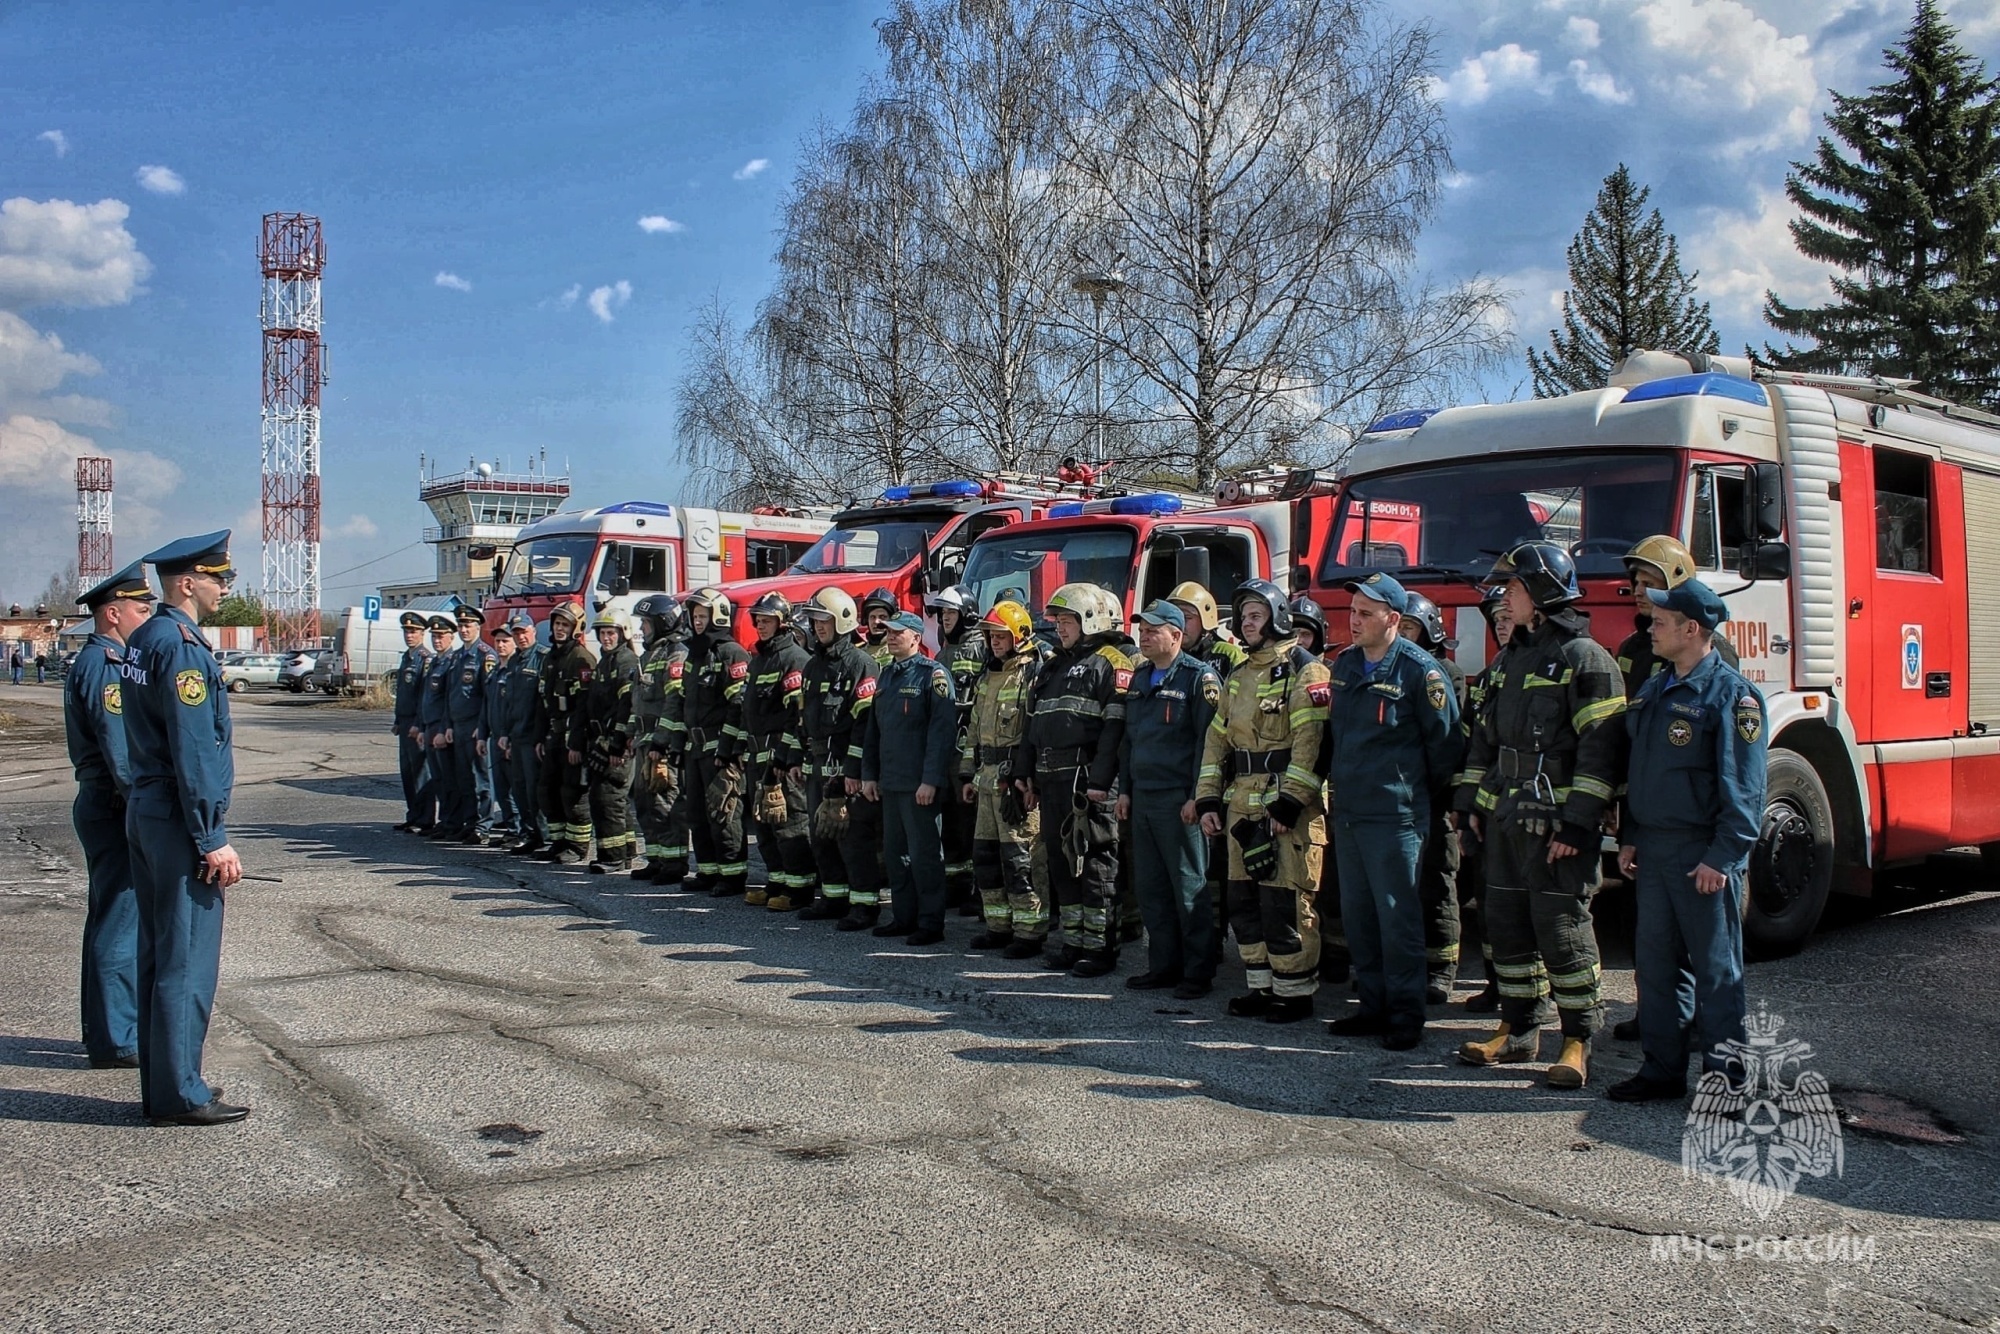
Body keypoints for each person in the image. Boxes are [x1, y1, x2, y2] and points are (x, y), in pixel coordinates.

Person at [1455, 542, 1625, 1089]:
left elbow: (1602, 750)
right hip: (1505, 819)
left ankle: (1577, 1038)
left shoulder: (1586, 658)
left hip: (1556, 828)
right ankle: (1518, 1027)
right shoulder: (1507, 661)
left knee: (1562, 929)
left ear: (1543, 592)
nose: (1505, 597)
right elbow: (1484, 742)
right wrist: (1473, 808)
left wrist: (1579, 823)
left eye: (1514, 588)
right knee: (1505, 924)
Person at [1609, 578, 1766, 1102]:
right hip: (1654, 849)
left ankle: (1727, 1084)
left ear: (1690, 628)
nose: (1650, 629)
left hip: (1702, 854)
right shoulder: (1657, 687)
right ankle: (1661, 1071)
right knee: (1655, 968)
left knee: (1716, 975)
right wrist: (1631, 836)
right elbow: (1643, 771)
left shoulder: (1732, 696)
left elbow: (1744, 789)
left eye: (1659, 622)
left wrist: (1722, 856)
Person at [120, 530, 246, 1126]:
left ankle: (165, 1081)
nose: (225, 588)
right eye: (218, 578)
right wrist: (211, 836)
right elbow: (194, 749)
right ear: (187, 582)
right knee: (187, 958)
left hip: (148, 809)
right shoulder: (183, 648)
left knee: (157, 951)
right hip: (177, 816)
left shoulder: (143, 638)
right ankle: (181, 1094)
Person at [1322, 574, 1462, 1049]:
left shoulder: (1420, 672)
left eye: (1365, 613)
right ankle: (1373, 1005)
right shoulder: (1344, 666)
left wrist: (1413, 796)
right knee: (1359, 916)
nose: (1353, 620)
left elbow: (1445, 749)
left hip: (1396, 817)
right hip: (1352, 813)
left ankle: (1405, 1012)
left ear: (1393, 620)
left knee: (1398, 917)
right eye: (1353, 611)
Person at [1609, 534, 1738, 1042]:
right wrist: (1623, 809)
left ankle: (1718, 1051)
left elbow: (1729, 765)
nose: (1638, 592)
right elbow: (1627, 733)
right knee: (1653, 942)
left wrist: (1723, 851)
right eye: (1636, 583)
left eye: (1650, 582)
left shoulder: (1715, 660)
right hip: (1652, 824)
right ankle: (1658, 1026)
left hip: (1697, 834)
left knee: (1709, 955)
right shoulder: (1634, 651)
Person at [1196, 579, 1333, 1023]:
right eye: (1244, 616)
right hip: (1241, 805)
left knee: (1285, 903)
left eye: (1256, 615)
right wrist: (1208, 801)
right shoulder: (1238, 675)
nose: (1247, 623)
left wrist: (1291, 801)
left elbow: (1313, 743)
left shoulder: (1305, 670)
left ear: (1276, 616)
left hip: (1284, 809)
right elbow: (1216, 744)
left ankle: (1293, 993)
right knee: (1243, 900)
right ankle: (1261, 986)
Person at [1015, 583, 1132, 977]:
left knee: (1096, 862)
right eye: (1059, 621)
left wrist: (1099, 783)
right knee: (1060, 862)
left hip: (1087, 783)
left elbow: (1115, 732)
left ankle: (1100, 947)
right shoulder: (1051, 667)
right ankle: (1074, 941)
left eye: (1068, 620)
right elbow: (1031, 726)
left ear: (1091, 619)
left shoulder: (1112, 663)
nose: (1061, 628)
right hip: (1049, 780)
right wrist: (1024, 774)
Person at [65, 561, 155, 1071]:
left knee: (110, 916)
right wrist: (142, 805)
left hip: (104, 801)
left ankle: (104, 1031)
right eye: (140, 610)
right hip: (114, 803)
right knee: (121, 920)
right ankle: (117, 1038)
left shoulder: (108, 660)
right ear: (112, 614)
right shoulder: (105, 667)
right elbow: (120, 750)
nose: (146, 618)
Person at [1116, 600, 1222, 997]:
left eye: (1153, 630)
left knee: (1188, 885)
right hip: (1143, 797)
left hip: (1179, 800)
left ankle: (1198, 972)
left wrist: (1199, 796)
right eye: (1142, 629)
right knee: (1152, 888)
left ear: (1176, 636)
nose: (1143, 636)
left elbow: (1208, 744)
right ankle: (1163, 965)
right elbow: (1130, 741)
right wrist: (1125, 790)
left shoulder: (1199, 678)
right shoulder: (1141, 677)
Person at [860, 611, 959, 945]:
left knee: (926, 855)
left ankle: (930, 923)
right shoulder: (886, 675)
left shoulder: (933, 676)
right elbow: (874, 732)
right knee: (896, 856)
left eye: (897, 633)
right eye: (887, 632)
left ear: (916, 638)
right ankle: (904, 917)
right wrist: (869, 775)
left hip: (919, 786)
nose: (889, 637)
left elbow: (941, 735)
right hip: (891, 782)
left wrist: (930, 780)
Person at [962, 599, 1049, 956]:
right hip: (985, 780)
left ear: (1020, 636)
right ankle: (998, 925)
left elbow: (1035, 731)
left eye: (1001, 636)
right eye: (991, 635)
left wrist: (1027, 778)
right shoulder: (988, 675)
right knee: (985, 857)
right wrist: (967, 773)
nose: (995, 642)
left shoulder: (1032, 674)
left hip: (1013, 782)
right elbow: (973, 729)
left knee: (1021, 859)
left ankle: (1030, 931)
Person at [795, 589, 883, 924]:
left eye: (824, 620)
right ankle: (833, 898)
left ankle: (864, 905)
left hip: (847, 765)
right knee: (821, 833)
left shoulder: (861, 664)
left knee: (852, 836)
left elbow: (865, 725)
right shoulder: (813, 666)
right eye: (815, 620)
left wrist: (853, 769)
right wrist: (801, 761)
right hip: (818, 763)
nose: (818, 626)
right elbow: (805, 721)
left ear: (842, 621)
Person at [1402, 591, 1470, 1003]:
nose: (1404, 636)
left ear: (1429, 631)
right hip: (1402, 801)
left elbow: (1447, 741)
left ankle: (1441, 969)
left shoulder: (1445, 673)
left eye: (1410, 628)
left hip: (1435, 798)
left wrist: (1439, 793)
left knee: (1437, 883)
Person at [741, 592, 815, 909]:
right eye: (758, 619)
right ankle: (777, 881)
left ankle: (799, 890)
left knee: (790, 822)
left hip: (779, 758)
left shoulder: (794, 659)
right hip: (757, 757)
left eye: (767, 620)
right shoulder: (759, 660)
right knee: (764, 824)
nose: (760, 625)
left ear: (782, 623)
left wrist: (784, 759)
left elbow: (795, 717)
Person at [682, 588, 753, 895]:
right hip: (694, 749)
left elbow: (737, 707)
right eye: (695, 616)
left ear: (718, 616)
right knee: (697, 814)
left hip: (717, 751)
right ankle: (708, 871)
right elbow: (683, 704)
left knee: (724, 812)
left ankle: (732, 875)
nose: (698, 622)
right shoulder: (694, 655)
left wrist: (727, 751)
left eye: (703, 616)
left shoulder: (731, 653)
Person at [926, 586, 986, 917]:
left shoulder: (982, 649)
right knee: (950, 819)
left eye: (951, 613)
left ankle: (981, 888)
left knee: (973, 822)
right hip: (947, 749)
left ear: (968, 615)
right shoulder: (942, 655)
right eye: (942, 615)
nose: (945, 619)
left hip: (970, 751)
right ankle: (956, 884)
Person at [533, 600, 597, 864]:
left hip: (573, 738)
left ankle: (577, 846)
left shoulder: (582, 659)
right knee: (548, 789)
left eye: (565, 625)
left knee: (574, 793)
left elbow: (585, 706)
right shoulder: (550, 658)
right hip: (553, 736)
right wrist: (540, 737)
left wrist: (577, 743)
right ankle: (558, 841)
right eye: (557, 624)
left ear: (576, 628)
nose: (559, 629)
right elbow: (541, 701)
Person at [578, 610, 641, 873]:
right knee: (613, 799)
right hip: (602, 740)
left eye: (611, 633)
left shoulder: (625, 662)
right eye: (602, 633)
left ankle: (612, 856)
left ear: (623, 633)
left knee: (609, 798)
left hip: (615, 744)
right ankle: (624, 852)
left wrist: (616, 743)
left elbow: (625, 706)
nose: (606, 638)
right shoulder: (606, 662)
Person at [631, 595, 689, 882]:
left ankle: (674, 862)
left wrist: (661, 743)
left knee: (666, 803)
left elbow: (673, 700)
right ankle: (656, 858)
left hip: (659, 744)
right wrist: (631, 737)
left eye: (645, 623)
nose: (642, 629)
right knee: (645, 803)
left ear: (662, 622)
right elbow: (638, 701)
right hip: (644, 741)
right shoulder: (648, 655)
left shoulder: (675, 653)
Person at [498, 611, 547, 854]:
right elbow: (510, 703)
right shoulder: (514, 661)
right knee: (518, 788)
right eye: (516, 633)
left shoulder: (542, 658)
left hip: (532, 736)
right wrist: (506, 733)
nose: (520, 637)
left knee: (534, 789)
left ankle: (543, 836)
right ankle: (529, 834)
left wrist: (542, 736)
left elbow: (542, 702)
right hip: (516, 736)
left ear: (533, 632)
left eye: (524, 632)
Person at [448, 604, 497, 842]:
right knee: (463, 778)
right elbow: (451, 694)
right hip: (457, 725)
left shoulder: (485, 656)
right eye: (461, 625)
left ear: (478, 627)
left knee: (481, 780)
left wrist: (482, 726)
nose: (464, 629)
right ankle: (469, 822)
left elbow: (488, 696)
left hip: (475, 725)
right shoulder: (457, 657)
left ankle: (483, 825)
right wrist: (448, 724)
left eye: (468, 625)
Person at [476, 619, 520, 844]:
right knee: (501, 789)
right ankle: (511, 829)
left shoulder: (515, 671)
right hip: (494, 738)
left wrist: (510, 737)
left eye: (506, 641)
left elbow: (517, 709)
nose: (501, 645)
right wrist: (482, 735)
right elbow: (486, 707)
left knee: (515, 789)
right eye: (498, 641)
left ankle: (520, 830)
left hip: (510, 739)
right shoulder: (493, 672)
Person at [391, 610, 434, 833]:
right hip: (405, 721)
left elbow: (423, 697)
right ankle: (413, 815)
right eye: (407, 631)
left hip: (418, 724)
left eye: (414, 631)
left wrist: (419, 724)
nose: (410, 635)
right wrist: (398, 719)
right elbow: (403, 693)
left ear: (423, 633)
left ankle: (425, 819)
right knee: (407, 772)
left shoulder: (425, 659)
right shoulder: (406, 657)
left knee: (421, 772)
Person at [419, 614, 460, 837]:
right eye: (434, 636)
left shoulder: (452, 663)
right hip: (430, 725)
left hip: (441, 727)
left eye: (442, 636)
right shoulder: (435, 661)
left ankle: (451, 821)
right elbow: (426, 697)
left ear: (451, 637)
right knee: (437, 778)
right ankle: (444, 821)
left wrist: (444, 729)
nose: (437, 640)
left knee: (448, 778)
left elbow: (448, 700)